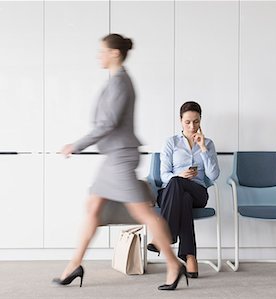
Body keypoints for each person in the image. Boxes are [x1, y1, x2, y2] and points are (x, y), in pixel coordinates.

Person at [53, 33, 188, 291]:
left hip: (121, 158)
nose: (98, 55)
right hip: (114, 157)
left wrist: (76, 145)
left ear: (115, 53)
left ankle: (173, 264)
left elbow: (108, 123)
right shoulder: (116, 80)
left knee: (143, 213)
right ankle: (73, 266)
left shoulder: (120, 83)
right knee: (93, 208)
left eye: (102, 50)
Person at [147, 101, 220, 278]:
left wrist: (203, 149)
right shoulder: (171, 143)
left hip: (198, 192)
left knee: (184, 192)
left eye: (196, 121)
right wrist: (179, 176)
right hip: (171, 193)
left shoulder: (208, 144)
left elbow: (214, 175)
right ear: (180, 121)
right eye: (187, 122)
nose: (192, 126)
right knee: (181, 193)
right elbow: (164, 175)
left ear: (200, 121)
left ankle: (163, 236)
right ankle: (190, 258)